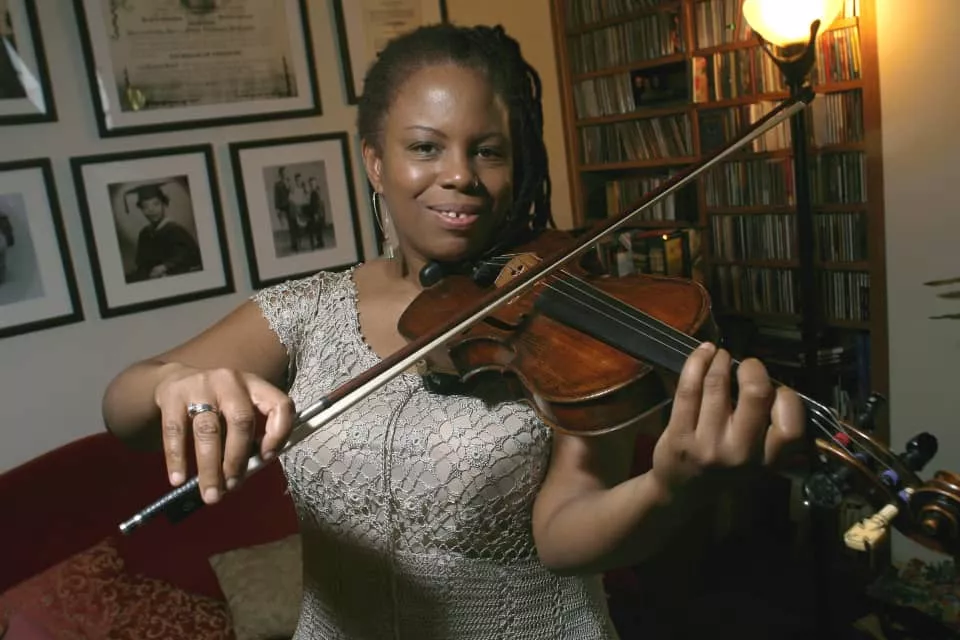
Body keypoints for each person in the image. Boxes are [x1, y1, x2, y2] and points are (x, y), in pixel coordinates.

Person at [101, 24, 805, 639]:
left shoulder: (566, 320)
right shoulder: (307, 309)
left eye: (488, 151)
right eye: (425, 147)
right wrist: (176, 383)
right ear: (376, 163)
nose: (461, 175)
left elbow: (563, 536)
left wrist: (671, 487)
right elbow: (124, 408)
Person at [125, 182, 203, 283]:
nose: (151, 210)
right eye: (145, 207)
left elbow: (190, 256)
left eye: (156, 204)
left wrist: (165, 266)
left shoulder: (175, 230)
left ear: (164, 204)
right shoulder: (144, 233)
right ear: (141, 210)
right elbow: (141, 264)